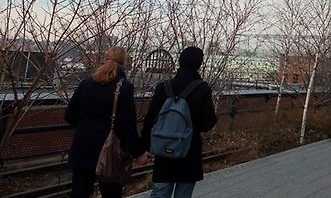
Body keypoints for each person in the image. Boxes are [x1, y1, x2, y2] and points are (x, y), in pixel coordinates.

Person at [65, 46, 150, 198]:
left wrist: (85, 127)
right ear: (124, 62)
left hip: (82, 148)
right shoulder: (124, 87)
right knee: (112, 193)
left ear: (105, 59)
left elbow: (69, 116)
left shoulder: (86, 83)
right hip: (110, 153)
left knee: (79, 193)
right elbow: (126, 127)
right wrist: (138, 152)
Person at [141, 46, 217, 198]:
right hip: (189, 152)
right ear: (199, 64)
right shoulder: (202, 89)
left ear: (180, 62)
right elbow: (206, 124)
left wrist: (144, 148)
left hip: (163, 151)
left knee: (159, 193)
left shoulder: (163, 87)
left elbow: (150, 120)